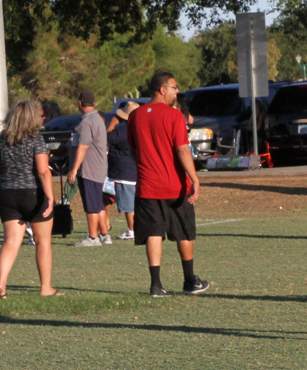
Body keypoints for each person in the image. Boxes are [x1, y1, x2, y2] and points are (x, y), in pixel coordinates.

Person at [128, 72, 210, 297]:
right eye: (174, 87)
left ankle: (156, 285)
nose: (177, 91)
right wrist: (194, 178)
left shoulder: (135, 116)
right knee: (184, 231)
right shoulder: (174, 116)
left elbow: (134, 149)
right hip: (174, 186)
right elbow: (183, 149)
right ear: (162, 89)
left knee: (153, 233)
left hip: (146, 185)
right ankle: (189, 281)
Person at [0, 99, 60, 299]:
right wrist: (50, 197)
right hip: (32, 192)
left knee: (10, 241)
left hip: (7, 193)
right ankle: (46, 287)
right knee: (42, 241)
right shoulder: (36, 139)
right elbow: (43, 171)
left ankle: (1, 283)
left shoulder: (2, 139)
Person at [66, 91, 112, 247]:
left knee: (91, 204)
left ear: (80, 103)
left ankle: (93, 237)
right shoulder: (97, 118)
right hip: (98, 167)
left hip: (90, 168)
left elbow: (83, 147)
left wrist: (73, 170)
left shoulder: (87, 121)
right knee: (97, 203)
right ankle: (104, 234)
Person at [107, 101, 140, 240]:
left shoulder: (122, 130)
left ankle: (132, 230)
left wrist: (113, 123)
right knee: (136, 202)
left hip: (125, 172)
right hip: (137, 170)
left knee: (129, 204)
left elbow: (107, 137)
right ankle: (135, 228)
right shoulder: (140, 128)